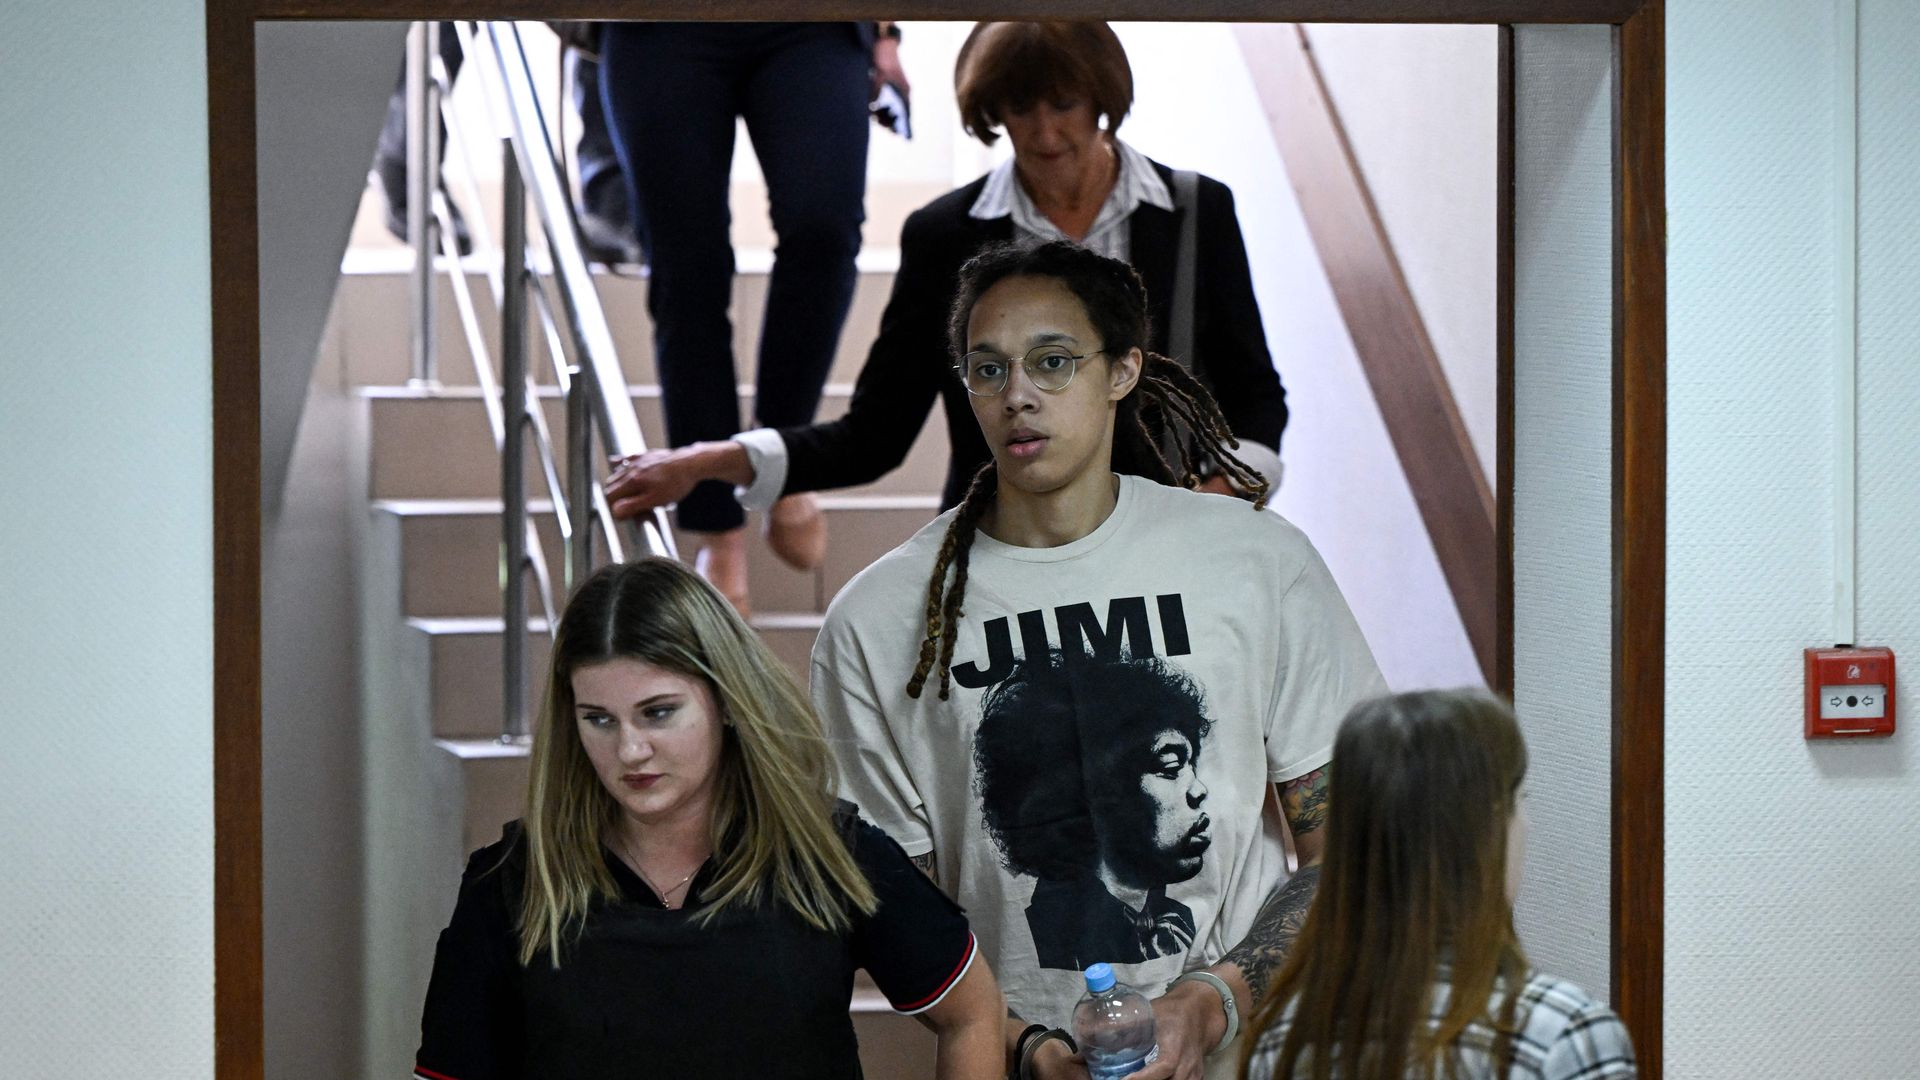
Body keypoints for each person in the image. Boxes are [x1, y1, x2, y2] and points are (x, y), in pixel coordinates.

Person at [810, 240, 1385, 1080]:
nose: (1019, 396)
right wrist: (1025, 1047)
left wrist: (1209, 1003)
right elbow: (897, 917)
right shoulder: (879, 619)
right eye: (987, 370)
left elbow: (1354, 845)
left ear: (1122, 371)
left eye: (1053, 362)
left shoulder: (1255, 563)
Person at [602, 21, 1287, 612]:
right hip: (998, 568)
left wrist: (1214, 505)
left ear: (1102, 99)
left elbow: (1257, 401)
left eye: (1065, 104)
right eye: (1020, 108)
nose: (1045, 132)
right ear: (992, 111)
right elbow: (876, 433)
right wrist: (709, 460)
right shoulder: (946, 234)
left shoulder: (1197, 209)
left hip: (1170, 568)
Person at [413, 556, 1004, 1079]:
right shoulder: (512, 883)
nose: (629, 751)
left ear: (725, 700)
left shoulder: (829, 854)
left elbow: (973, 1012)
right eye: (598, 719)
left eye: (659, 713)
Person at [596, 21, 912, 614]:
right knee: (685, 265)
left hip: (814, 19)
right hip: (656, 21)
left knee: (824, 228)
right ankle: (718, 528)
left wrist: (887, 30)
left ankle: (780, 457)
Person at [1240, 691, 1638, 1080]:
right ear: (1486, 827)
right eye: (1521, 801)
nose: (1527, 826)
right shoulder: (1563, 1036)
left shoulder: (1284, 1037)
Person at [975, 651, 1214, 970]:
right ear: (1095, 790)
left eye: (1191, 765)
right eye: (1170, 767)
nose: (1199, 790)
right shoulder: (1053, 935)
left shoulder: (1177, 921)